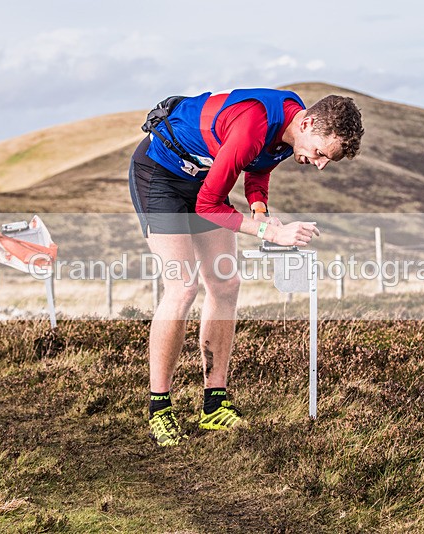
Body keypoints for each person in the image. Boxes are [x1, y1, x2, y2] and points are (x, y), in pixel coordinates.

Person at [128, 87, 363, 446]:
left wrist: (260, 212)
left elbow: (258, 169)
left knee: (226, 284)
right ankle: (159, 408)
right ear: (309, 123)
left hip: (202, 178)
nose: (318, 165)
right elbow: (209, 205)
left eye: (325, 160)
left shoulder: (292, 126)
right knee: (183, 286)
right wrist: (271, 231)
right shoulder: (255, 122)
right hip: (159, 174)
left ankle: (214, 404)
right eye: (318, 153)